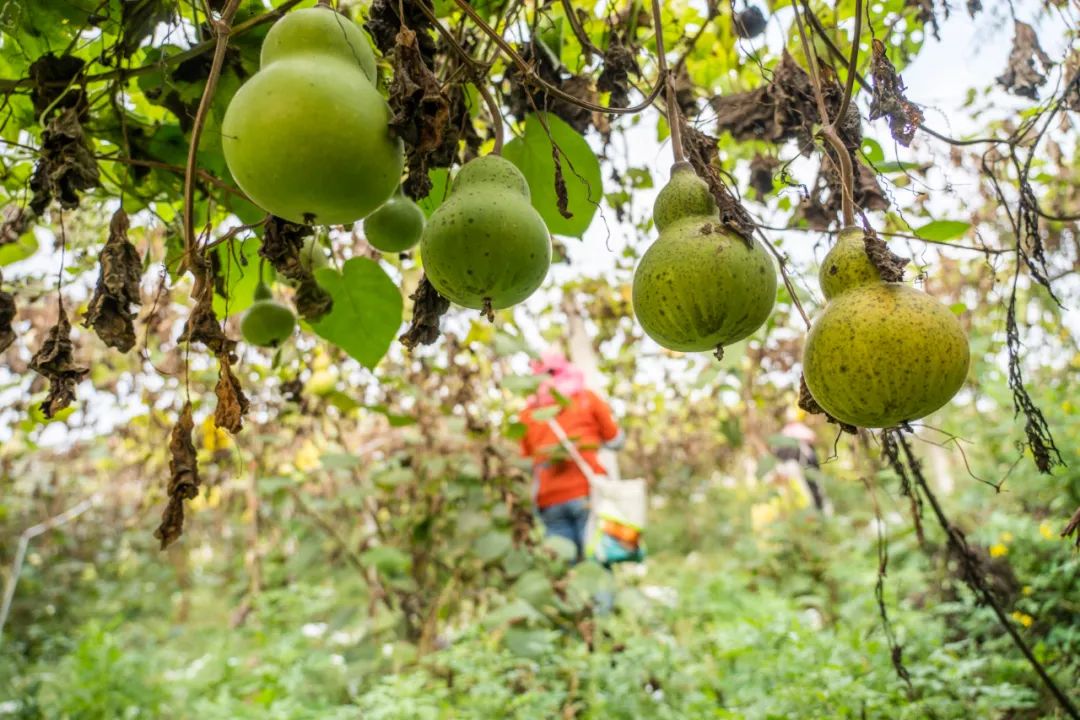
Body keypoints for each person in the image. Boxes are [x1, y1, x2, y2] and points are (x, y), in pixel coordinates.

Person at [519, 350, 624, 562]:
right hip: (588, 493)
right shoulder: (586, 398)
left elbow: (527, 458)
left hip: (549, 500)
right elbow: (616, 440)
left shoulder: (527, 413)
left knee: (566, 570)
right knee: (597, 562)